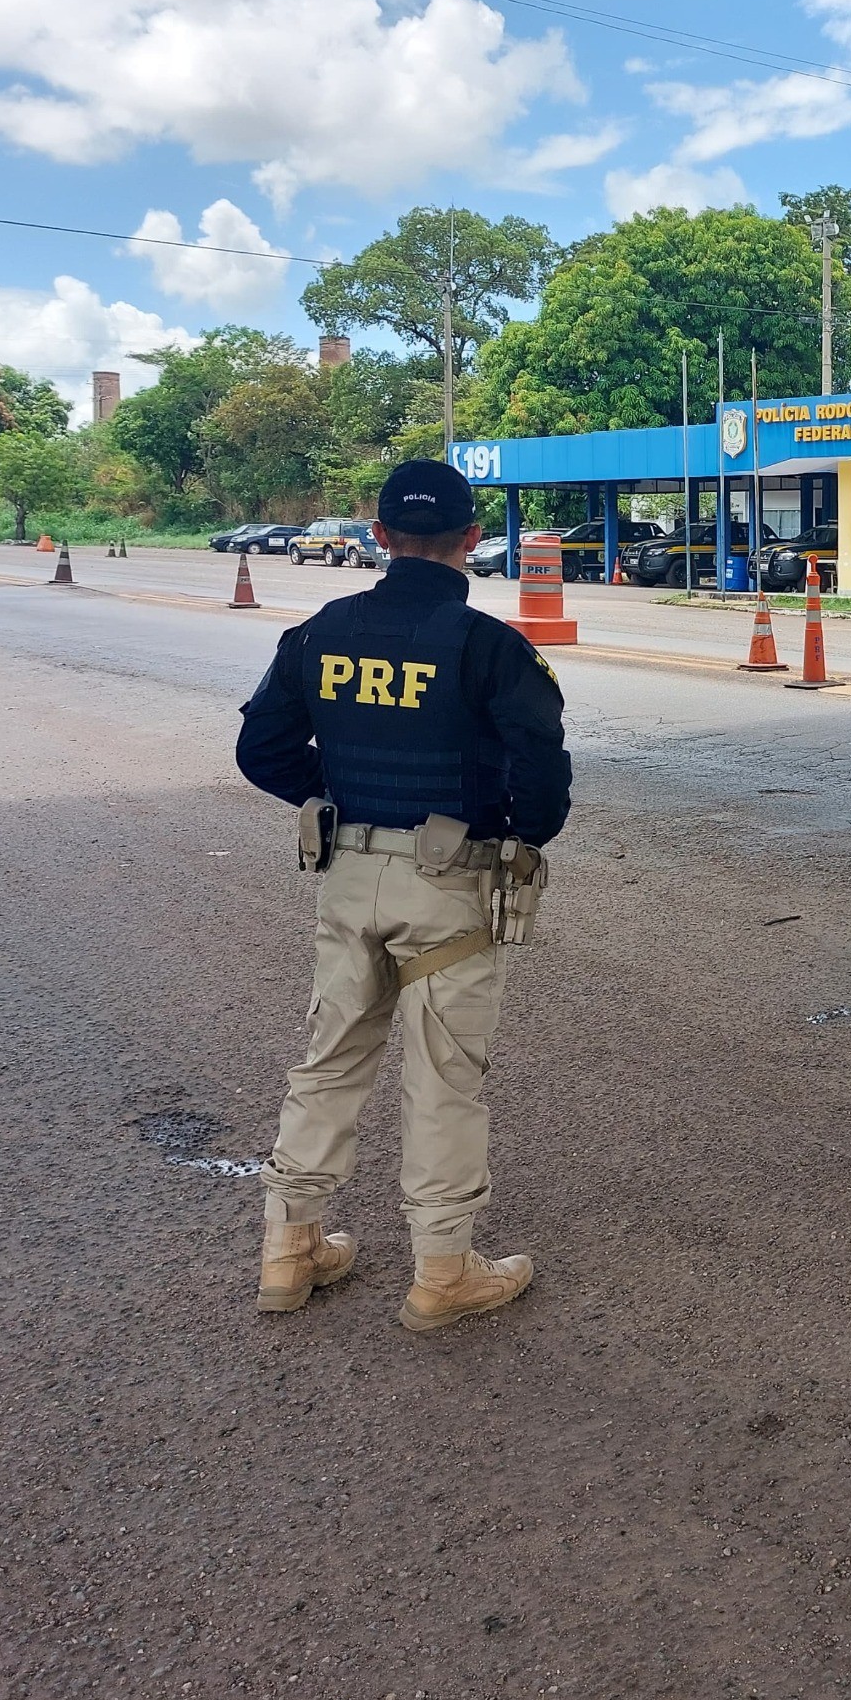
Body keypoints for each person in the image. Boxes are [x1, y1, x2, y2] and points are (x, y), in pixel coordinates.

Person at [235, 459, 571, 1333]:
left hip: (347, 875)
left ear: (378, 537)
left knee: (330, 1057)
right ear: (470, 540)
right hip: (451, 886)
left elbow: (262, 752)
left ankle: (289, 1249)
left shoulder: (318, 633)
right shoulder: (492, 648)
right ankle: (443, 1271)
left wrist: (345, 797)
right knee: (444, 1079)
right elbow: (542, 779)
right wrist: (510, 831)